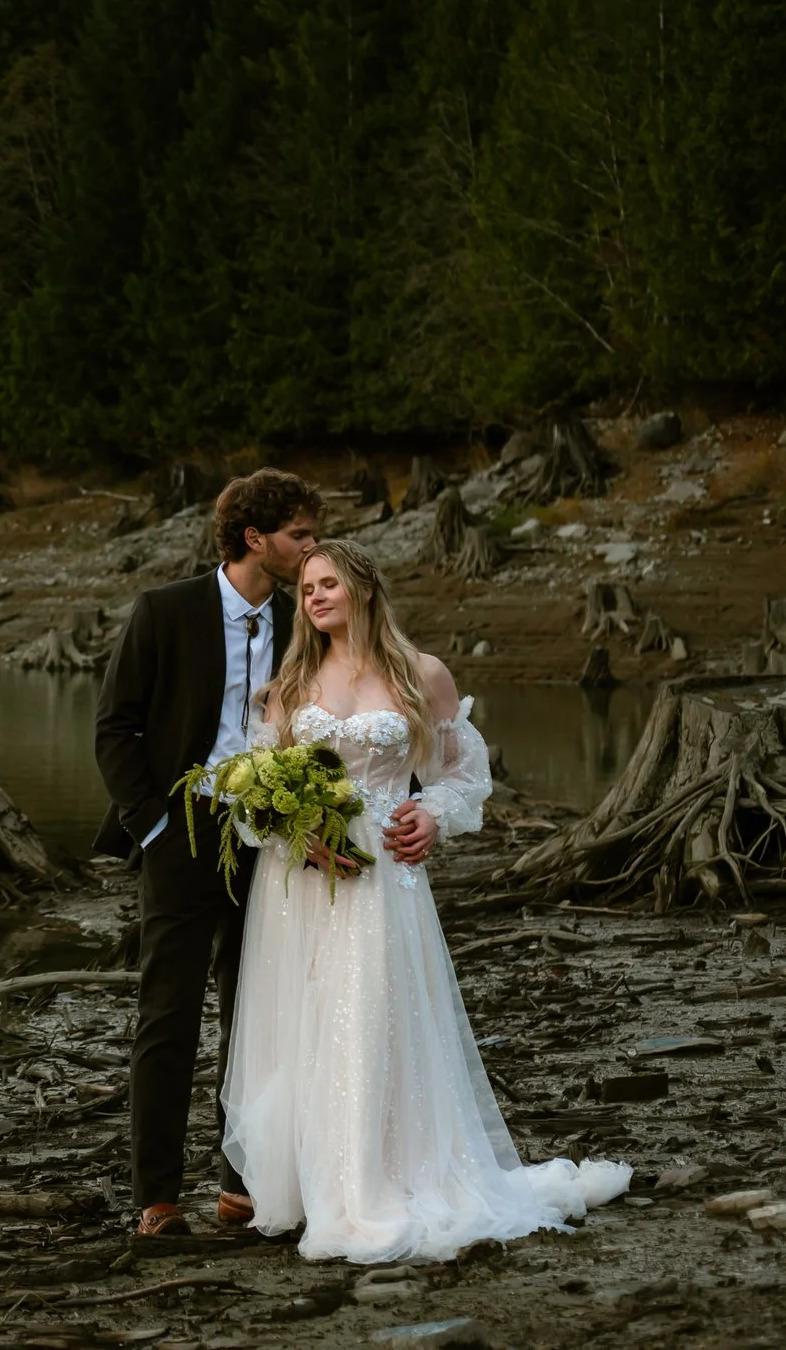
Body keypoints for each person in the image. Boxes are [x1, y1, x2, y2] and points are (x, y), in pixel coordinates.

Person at [221, 536, 630, 1262]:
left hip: (384, 872)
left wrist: (433, 814)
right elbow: (255, 788)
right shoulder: (291, 683)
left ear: (365, 588)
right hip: (308, 881)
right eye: (306, 587)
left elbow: (462, 772)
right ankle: (317, 1185)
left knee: (374, 1014)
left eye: (328, 583)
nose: (313, 596)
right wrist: (295, 830)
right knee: (308, 1017)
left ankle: (378, 1180)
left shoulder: (421, 674)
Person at [95, 469, 367, 1237]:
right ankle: (156, 1195)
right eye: (300, 536)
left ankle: (241, 1184)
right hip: (178, 833)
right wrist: (150, 826)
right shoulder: (165, 610)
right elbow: (115, 726)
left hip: (272, 841)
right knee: (168, 1014)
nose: (312, 551)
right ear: (256, 538)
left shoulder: (301, 621)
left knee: (257, 1012)